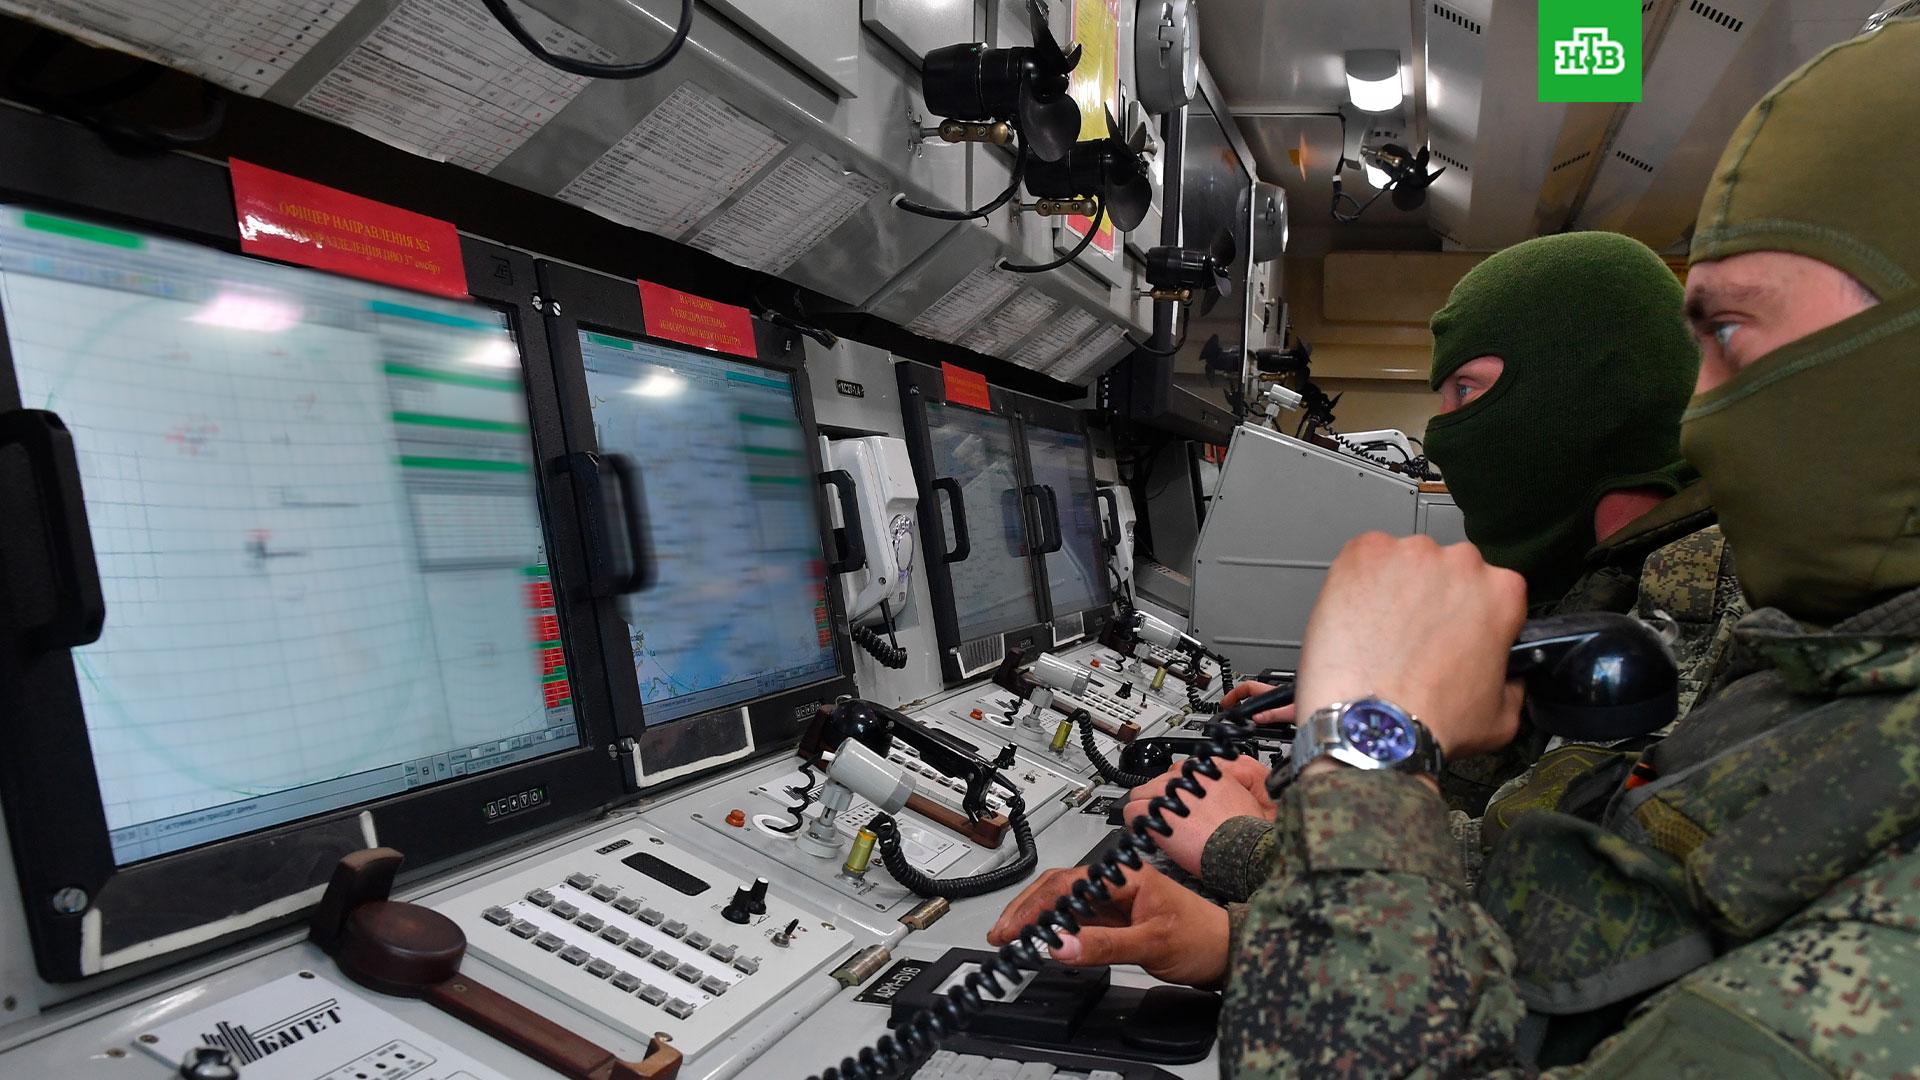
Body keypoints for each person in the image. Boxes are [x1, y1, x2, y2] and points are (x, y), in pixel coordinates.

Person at [996, 20, 1920, 1073]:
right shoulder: (1815, 683)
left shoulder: (1722, 619)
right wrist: (1236, 940)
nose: (1696, 414)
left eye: (1730, 334)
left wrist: (1356, 763)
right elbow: (1588, 931)